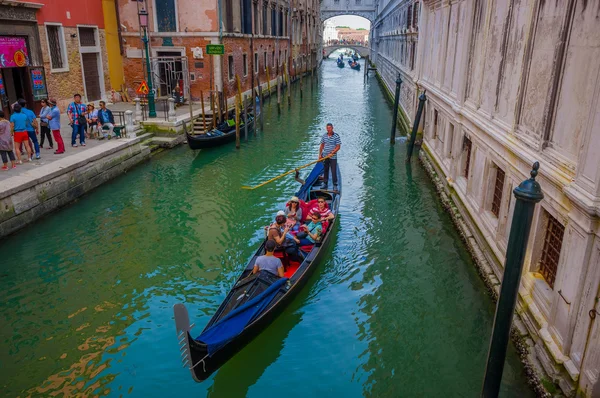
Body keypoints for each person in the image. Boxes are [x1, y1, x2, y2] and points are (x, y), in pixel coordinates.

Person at [319, 122, 341, 190]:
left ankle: (335, 185)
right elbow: (322, 145)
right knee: (325, 170)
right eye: (327, 128)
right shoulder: (324, 136)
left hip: (333, 157)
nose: (328, 129)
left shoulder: (336, 136)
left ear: (332, 128)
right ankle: (325, 183)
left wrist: (332, 152)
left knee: (333, 170)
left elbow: (338, 147)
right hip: (325, 156)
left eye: (329, 128)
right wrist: (320, 155)